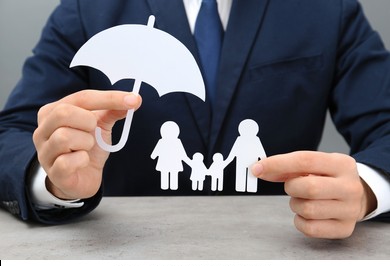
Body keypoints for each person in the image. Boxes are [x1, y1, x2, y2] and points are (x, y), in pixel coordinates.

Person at [0, 0, 389, 239]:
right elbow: (12, 133)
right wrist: (53, 179)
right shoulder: (89, 8)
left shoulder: (328, 9)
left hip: (284, 246)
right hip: (121, 253)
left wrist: (367, 189)